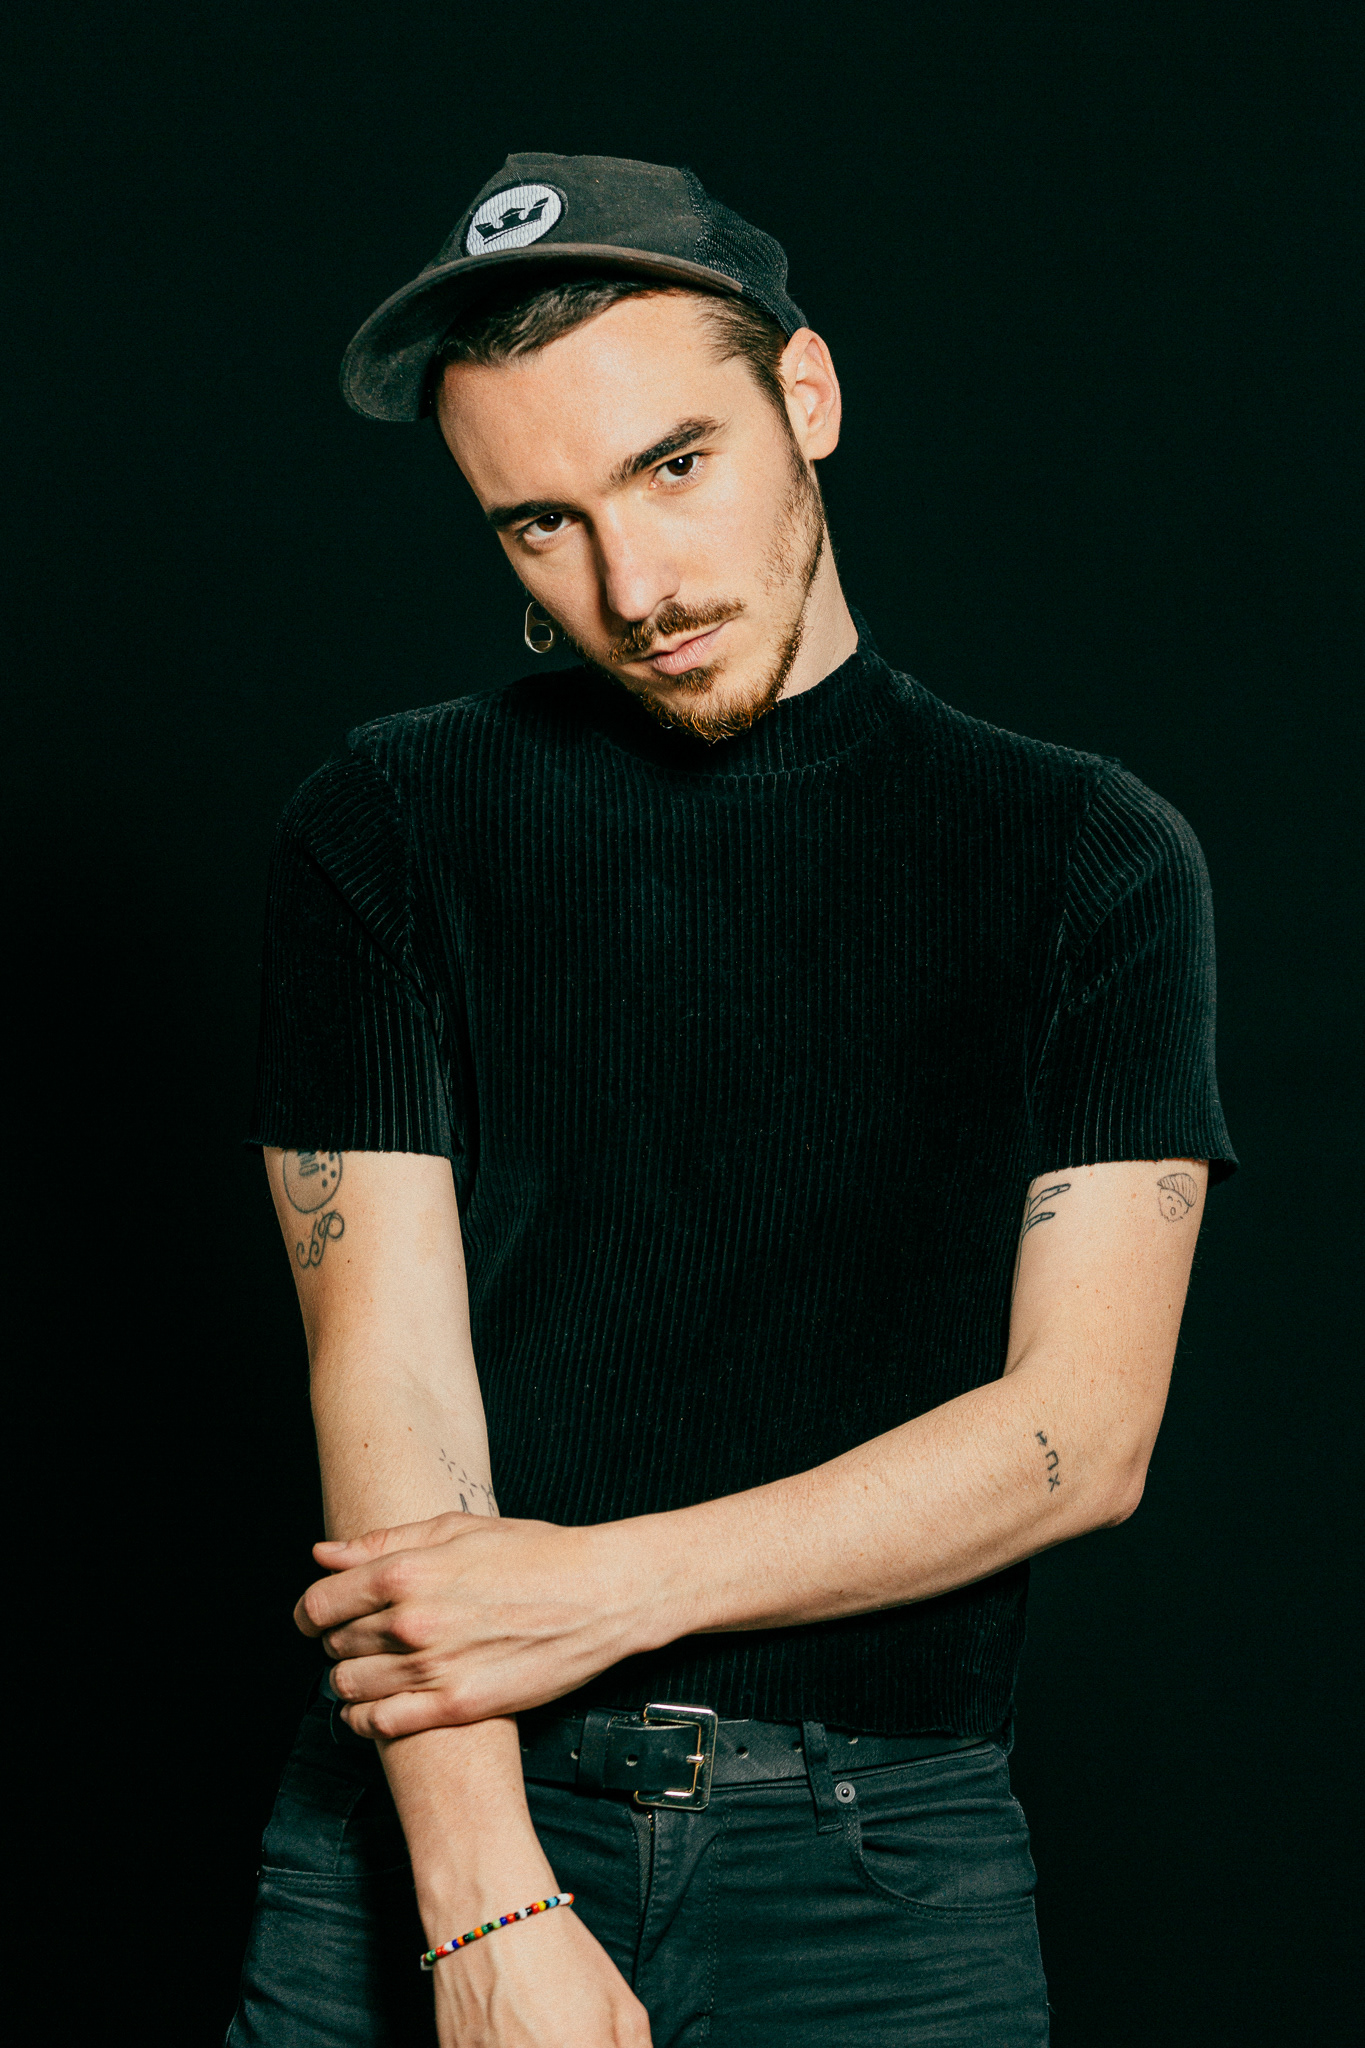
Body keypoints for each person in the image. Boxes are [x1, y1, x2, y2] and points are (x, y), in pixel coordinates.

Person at [229, 152, 1235, 2048]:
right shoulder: (389, 824)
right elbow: (391, 1384)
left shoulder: (1086, 857)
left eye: (673, 465)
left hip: (881, 1865)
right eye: (540, 523)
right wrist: (481, 1902)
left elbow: (1080, 1434)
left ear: (808, 398)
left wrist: (603, 1590)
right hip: (448, 1814)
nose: (636, 589)